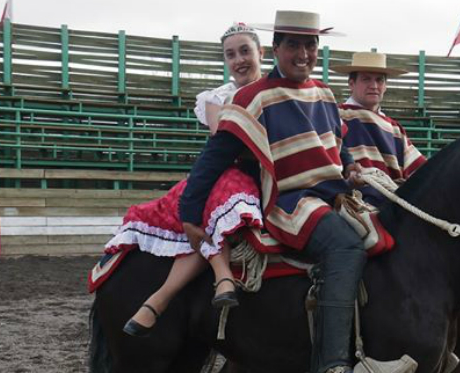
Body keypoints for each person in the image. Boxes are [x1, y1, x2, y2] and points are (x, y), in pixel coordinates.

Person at [179, 10, 366, 373]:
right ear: (276, 48)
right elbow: (213, 159)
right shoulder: (253, 97)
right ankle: (331, 363)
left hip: (337, 197)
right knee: (345, 246)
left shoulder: (325, 93)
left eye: (310, 45)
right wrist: (190, 213)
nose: (303, 53)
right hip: (292, 203)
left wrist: (353, 166)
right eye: (293, 44)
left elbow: (336, 146)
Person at [115, 23, 265, 337]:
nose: (238, 60)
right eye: (230, 54)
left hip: (267, 173)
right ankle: (217, 276)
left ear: (260, 53)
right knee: (206, 214)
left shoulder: (274, 91)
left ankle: (159, 301)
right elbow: (223, 137)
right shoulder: (218, 97)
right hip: (231, 172)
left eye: (244, 51)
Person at [332, 51, 426, 206]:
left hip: (396, 204)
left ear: (385, 86)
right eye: (366, 79)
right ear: (351, 84)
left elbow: (420, 171)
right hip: (351, 203)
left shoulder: (395, 128)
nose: (374, 86)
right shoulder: (336, 116)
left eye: (379, 80)